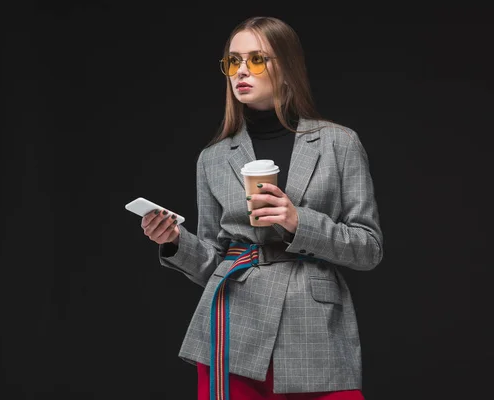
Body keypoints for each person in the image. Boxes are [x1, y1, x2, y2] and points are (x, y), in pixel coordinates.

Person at [140, 16, 383, 400]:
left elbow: (368, 249)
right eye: (233, 61)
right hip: (233, 326)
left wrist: (298, 222)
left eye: (256, 59)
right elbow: (212, 260)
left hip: (314, 327)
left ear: (286, 67)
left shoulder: (338, 143)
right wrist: (173, 241)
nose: (241, 71)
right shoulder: (214, 158)